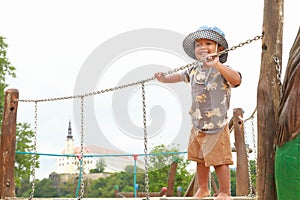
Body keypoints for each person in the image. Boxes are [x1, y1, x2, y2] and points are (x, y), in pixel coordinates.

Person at [154, 26, 241, 200]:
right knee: (200, 160)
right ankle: (203, 189)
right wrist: (164, 79)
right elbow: (178, 76)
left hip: (217, 124)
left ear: (220, 48)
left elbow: (236, 80)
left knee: (219, 160)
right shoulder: (193, 70)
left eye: (208, 43)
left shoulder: (223, 69)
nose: (202, 47)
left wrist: (217, 64)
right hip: (198, 123)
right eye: (198, 44)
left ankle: (224, 191)